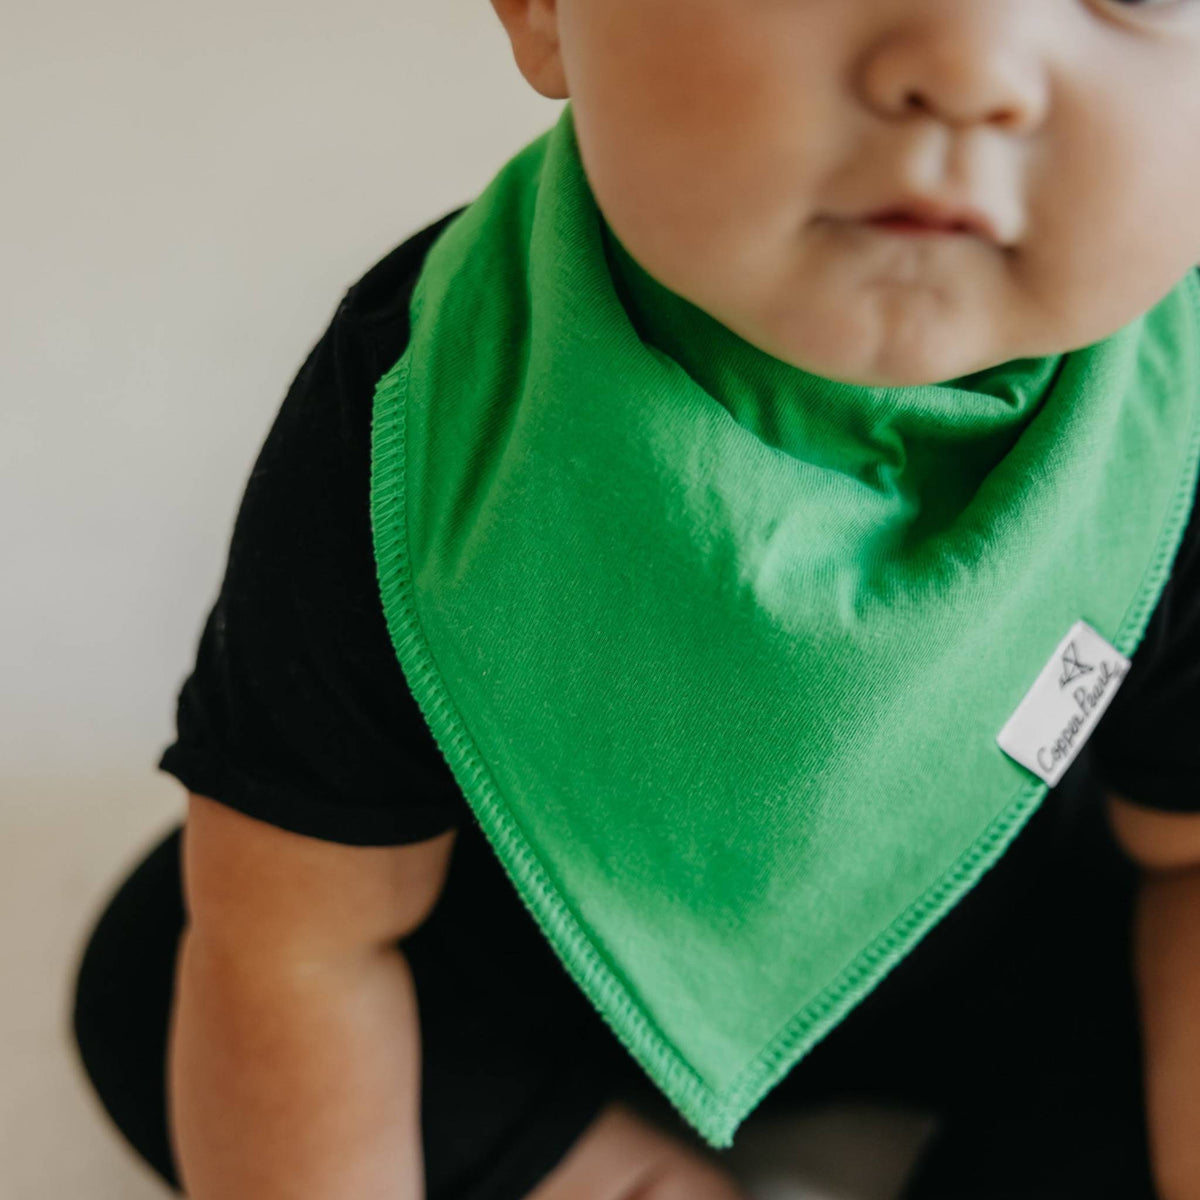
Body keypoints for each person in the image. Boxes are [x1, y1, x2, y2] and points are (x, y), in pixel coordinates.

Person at [70, 2, 1200, 1199]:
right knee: (183, 965)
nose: (967, 70)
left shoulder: (1170, 435)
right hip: (545, 941)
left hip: (1017, 935)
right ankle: (584, 1161)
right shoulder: (436, 406)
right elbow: (306, 941)